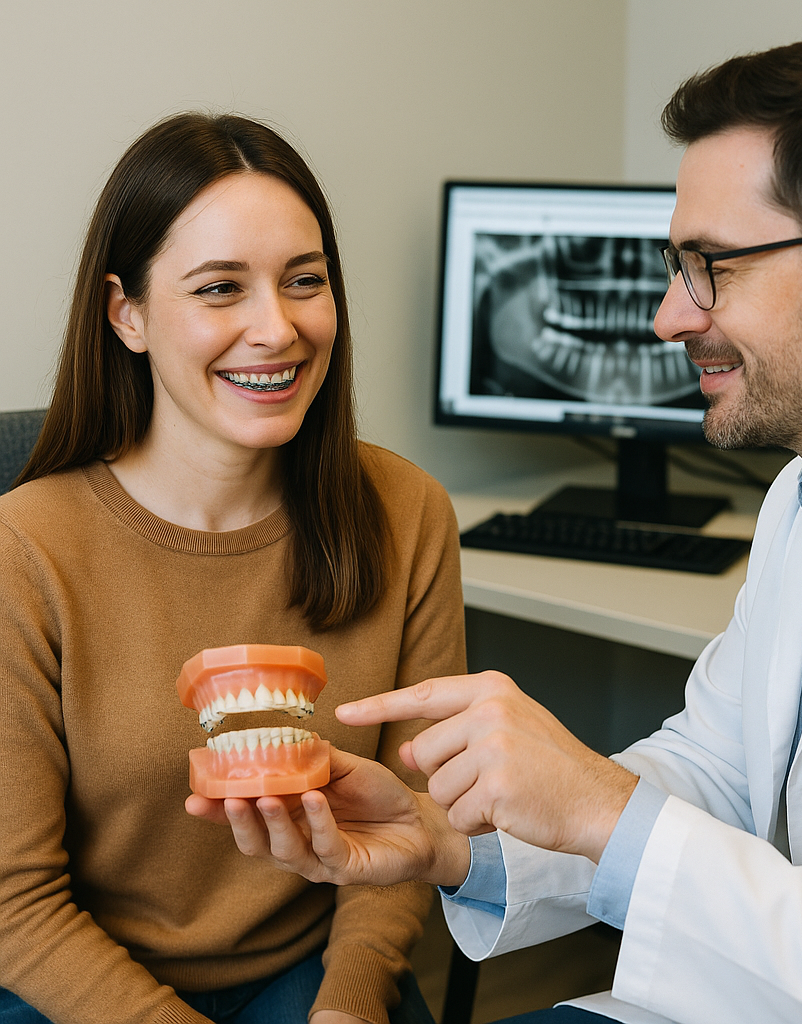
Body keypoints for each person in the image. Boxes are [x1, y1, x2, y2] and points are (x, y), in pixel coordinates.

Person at [190, 35, 802, 1024]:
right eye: (677, 267)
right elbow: (713, 771)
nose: (669, 316)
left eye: (709, 266)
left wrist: (598, 804)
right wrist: (452, 844)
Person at [0, 113, 466, 1024]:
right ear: (127, 314)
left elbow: (407, 824)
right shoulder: (24, 549)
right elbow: (15, 903)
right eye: (220, 288)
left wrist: (349, 1003)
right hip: (74, 986)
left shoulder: (408, 512)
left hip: (310, 975)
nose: (277, 329)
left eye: (305, 282)